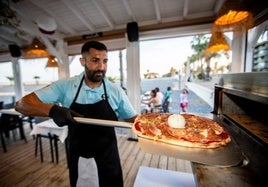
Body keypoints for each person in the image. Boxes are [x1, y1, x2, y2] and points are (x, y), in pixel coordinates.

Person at [14, 41, 137, 187]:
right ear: (82, 61)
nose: (101, 67)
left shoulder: (115, 90)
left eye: (105, 61)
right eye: (95, 60)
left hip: (108, 157)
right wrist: (53, 110)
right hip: (79, 156)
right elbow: (22, 104)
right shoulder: (65, 86)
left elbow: (132, 119)